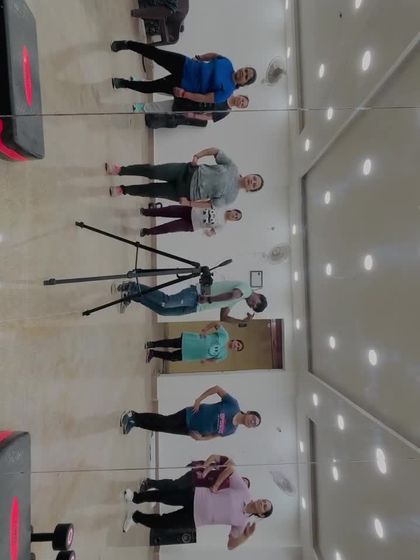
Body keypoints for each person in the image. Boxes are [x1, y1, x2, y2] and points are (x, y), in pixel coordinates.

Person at [122, 461, 273, 551]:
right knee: (163, 495)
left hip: (195, 519)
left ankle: (136, 518)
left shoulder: (242, 523)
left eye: (264, 507)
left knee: (162, 524)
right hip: (194, 496)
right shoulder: (244, 491)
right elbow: (231, 469)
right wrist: (217, 485)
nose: (262, 503)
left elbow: (230, 545)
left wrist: (245, 537)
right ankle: (135, 498)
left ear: (261, 514)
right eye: (264, 501)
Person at [106, 147, 264, 206]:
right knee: (153, 171)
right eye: (254, 178)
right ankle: (121, 170)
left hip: (185, 193)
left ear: (250, 190)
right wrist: (197, 156)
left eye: (254, 185)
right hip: (187, 171)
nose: (252, 181)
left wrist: (189, 204)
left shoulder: (231, 197)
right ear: (251, 174)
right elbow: (216, 151)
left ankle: (123, 190)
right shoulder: (232, 167)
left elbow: (210, 204)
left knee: (152, 191)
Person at [110, 41, 257, 103]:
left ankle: (124, 83)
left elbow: (204, 98)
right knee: (155, 53)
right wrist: (200, 57)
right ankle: (127, 44)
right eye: (245, 70)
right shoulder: (227, 63)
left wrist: (185, 94)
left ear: (244, 83)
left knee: (151, 87)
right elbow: (214, 56)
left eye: (246, 76)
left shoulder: (227, 92)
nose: (243, 73)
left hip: (182, 84)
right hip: (185, 64)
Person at [119, 384, 262, 439]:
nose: (252, 422)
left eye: (254, 424)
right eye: (253, 418)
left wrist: (200, 439)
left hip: (191, 430)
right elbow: (217, 389)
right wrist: (199, 400)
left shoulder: (231, 430)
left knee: (162, 428)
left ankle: (135, 423)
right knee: (164, 421)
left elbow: (213, 435)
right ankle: (133, 415)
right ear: (249, 412)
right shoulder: (233, 404)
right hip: (191, 414)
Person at [110, 278, 267, 320]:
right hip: (197, 295)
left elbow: (224, 317)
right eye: (256, 304)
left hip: (196, 307)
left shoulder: (239, 299)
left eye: (253, 308)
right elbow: (232, 294)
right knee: (166, 301)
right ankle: (131, 286)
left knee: (163, 311)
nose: (252, 306)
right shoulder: (246, 289)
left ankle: (133, 295)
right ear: (259, 295)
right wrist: (209, 299)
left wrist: (241, 322)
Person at [129, 454, 250, 495]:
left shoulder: (230, 490)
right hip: (196, 477)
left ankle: (149, 487)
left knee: (172, 492)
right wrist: (205, 468)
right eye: (243, 480)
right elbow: (214, 457)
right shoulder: (230, 467)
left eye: (243, 485)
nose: (241, 482)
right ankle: (149, 483)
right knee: (175, 485)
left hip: (196, 492)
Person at [131, 94, 249, 129]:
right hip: (193, 93)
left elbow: (208, 117)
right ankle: (139, 81)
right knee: (162, 88)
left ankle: (142, 108)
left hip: (192, 106)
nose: (241, 102)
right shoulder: (227, 91)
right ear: (240, 95)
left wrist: (193, 115)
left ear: (240, 108)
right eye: (243, 100)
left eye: (242, 105)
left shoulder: (225, 111)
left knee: (166, 106)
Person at [145, 322, 244, 363]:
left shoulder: (224, 355)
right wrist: (205, 329)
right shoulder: (225, 336)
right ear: (235, 340)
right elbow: (216, 324)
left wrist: (205, 360)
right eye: (238, 344)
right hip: (193, 341)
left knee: (172, 357)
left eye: (237, 348)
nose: (236, 346)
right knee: (171, 343)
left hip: (193, 354)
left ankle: (153, 353)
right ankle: (152, 344)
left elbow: (213, 360)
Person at [138, 205, 242, 237]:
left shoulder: (222, 225)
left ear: (234, 220)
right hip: (190, 210)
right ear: (233, 210)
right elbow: (207, 202)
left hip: (191, 225)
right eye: (236, 214)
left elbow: (211, 233)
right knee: (168, 210)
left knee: (169, 228)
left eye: (236, 218)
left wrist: (208, 233)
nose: (234, 216)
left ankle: (147, 231)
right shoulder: (221, 206)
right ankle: (147, 212)